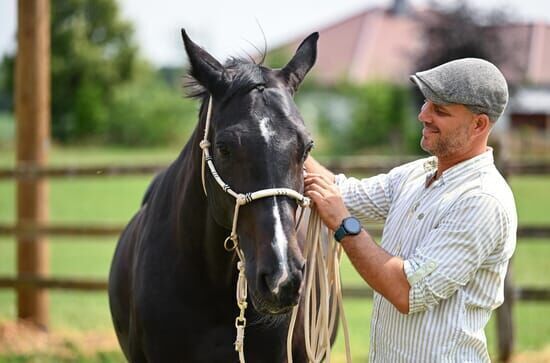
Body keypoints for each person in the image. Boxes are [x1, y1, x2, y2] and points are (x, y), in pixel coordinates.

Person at [304, 58, 517, 362]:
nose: (423, 115)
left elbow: (404, 289)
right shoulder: (416, 174)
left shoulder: (482, 200)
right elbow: (339, 194)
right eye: (427, 103)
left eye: (440, 110)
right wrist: (284, 134)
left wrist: (343, 224)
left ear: (479, 124)